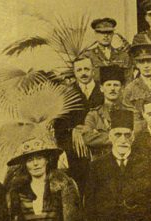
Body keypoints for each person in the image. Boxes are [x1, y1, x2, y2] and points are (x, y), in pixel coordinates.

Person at [83, 109, 151, 221]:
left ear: (133, 137)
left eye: (127, 135)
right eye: (118, 135)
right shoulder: (97, 167)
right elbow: (89, 209)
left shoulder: (147, 165)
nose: (123, 140)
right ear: (110, 137)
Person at [52, 56, 103, 191]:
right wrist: (72, 131)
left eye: (86, 69)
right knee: (80, 184)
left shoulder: (103, 89)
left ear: (93, 70)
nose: (83, 73)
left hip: (100, 144)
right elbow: (59, 125)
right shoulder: (67, 93)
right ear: (74, 72)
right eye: (79, 70)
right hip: (76, 149)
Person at [80, 65, 130, 159]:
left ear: (122, 88)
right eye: (108, 85)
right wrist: (119, 138)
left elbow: (135, 135)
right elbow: (87, 138)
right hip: (100, 162)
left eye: (116, 85)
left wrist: (100, 136)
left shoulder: (130, 112)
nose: (112, 89)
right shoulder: (93, 114)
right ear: (101, 88)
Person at [83, 18, 131, 82]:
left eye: (109, 32)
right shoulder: (87, 56)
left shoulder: (123, 56)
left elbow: (128, 80)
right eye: (101, 32)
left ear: (113, 34)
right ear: (95, 34)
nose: (105, 35)